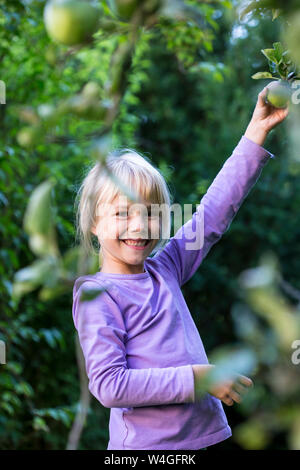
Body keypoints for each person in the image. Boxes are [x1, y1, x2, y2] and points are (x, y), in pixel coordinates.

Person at [72, 86, 289, 450]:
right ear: (94, 222)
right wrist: (196, 379)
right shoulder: (96, 295)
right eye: (123, 214)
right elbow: (110, 386)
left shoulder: (165, 267)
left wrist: (255, 134)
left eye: (149, 214)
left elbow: (212, 214)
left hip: (204, 440)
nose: (139, 227)